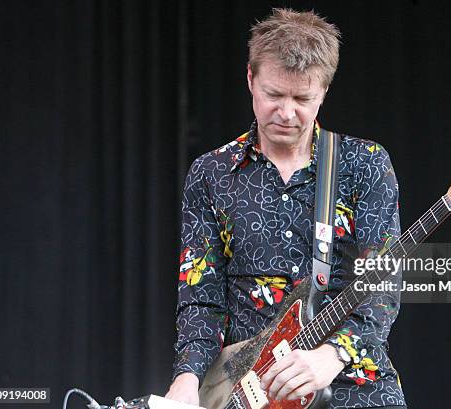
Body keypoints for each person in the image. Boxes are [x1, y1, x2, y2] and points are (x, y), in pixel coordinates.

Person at [166, 8, 406, 409]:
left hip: (350, 382)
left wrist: (331, 356)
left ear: (324, 91)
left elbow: (382, 283)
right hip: (249, 392)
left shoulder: (365, 163)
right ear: (250, 79)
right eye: (274, 94)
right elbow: (201, 297)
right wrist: (186, 381)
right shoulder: (211, 173)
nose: (286, 112)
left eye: (303, 98)